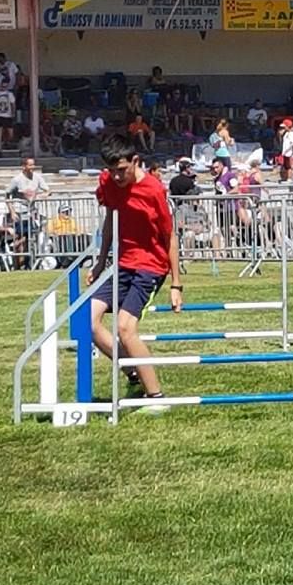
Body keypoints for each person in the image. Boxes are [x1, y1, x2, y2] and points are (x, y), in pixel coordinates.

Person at [88, 133, 182, 408]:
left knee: (125, 328)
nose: (116, 177)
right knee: (86, 321)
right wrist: (100, 260)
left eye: (122, 171)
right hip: (121, 264)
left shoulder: (153, 190)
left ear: (135, 161)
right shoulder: (107, 183)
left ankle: (156, 397)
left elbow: (169, 236)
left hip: (151, 266)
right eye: (111, 171)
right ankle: (132, 374)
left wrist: (176, 284)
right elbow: (110, 221)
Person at [6, 157, 51, 267]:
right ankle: (17, 264)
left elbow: (48, 190)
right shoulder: (16, 180)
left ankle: (28, 263)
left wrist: (42, 195)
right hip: (19, 212)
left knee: (29, 238)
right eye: (30, 165)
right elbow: (7, 196)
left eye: (33, 165)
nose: (32, 167)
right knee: (19, 239)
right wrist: (12, 211)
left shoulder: (37, 178)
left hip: (31, 213)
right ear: (24, 166)